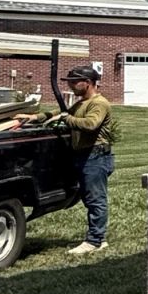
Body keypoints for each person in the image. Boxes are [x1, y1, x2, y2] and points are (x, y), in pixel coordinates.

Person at [50, 63, 115, 254]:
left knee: (96, 199)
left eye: (73, 82)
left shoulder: (99, 103)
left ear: (87, 83)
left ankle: (95, 241)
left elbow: (90, 124)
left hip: (96, 156)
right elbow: (59, 113)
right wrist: (36, 116)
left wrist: (66, 119)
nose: (70, 85)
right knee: (89, 198)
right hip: (84, 155)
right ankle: (98, 238)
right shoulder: (80, 103)